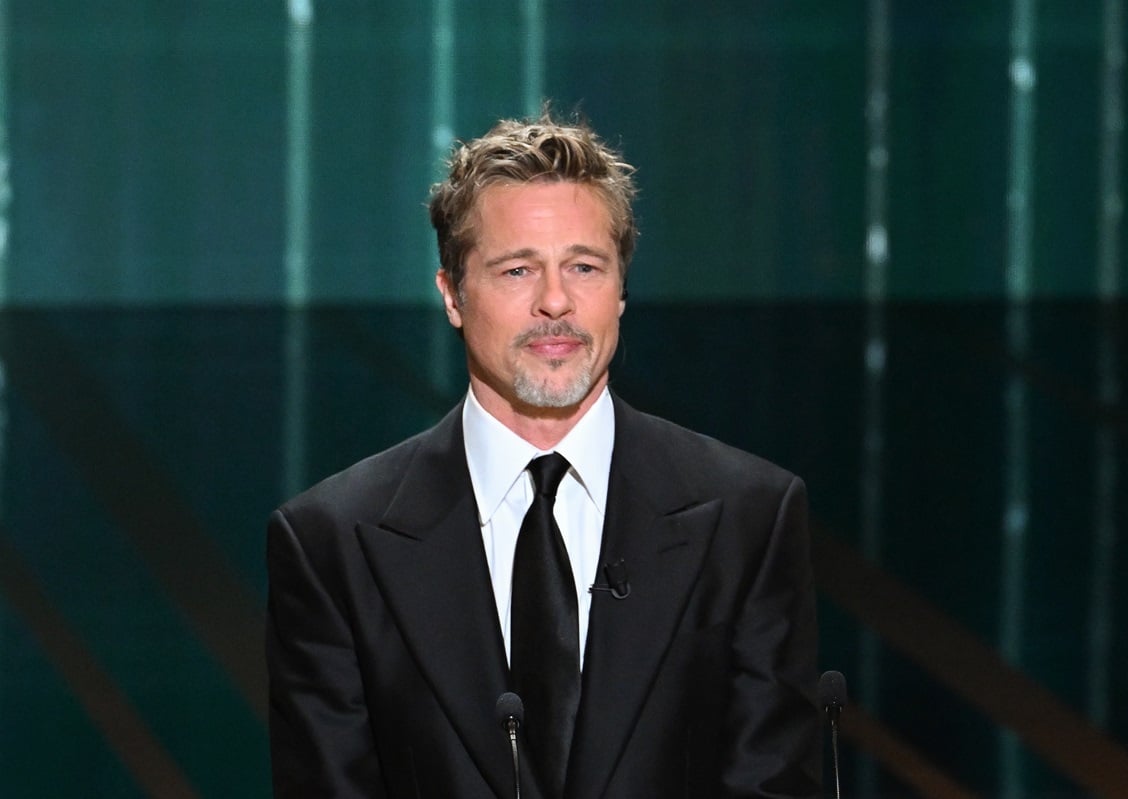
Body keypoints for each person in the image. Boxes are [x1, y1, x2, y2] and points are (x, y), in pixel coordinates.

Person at [266, 111, 821, 798]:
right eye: (517, 269)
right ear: (452, 295)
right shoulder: (331, 542)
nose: (555, 301)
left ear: (621, 290)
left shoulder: (749, 518)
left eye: (584, 266)